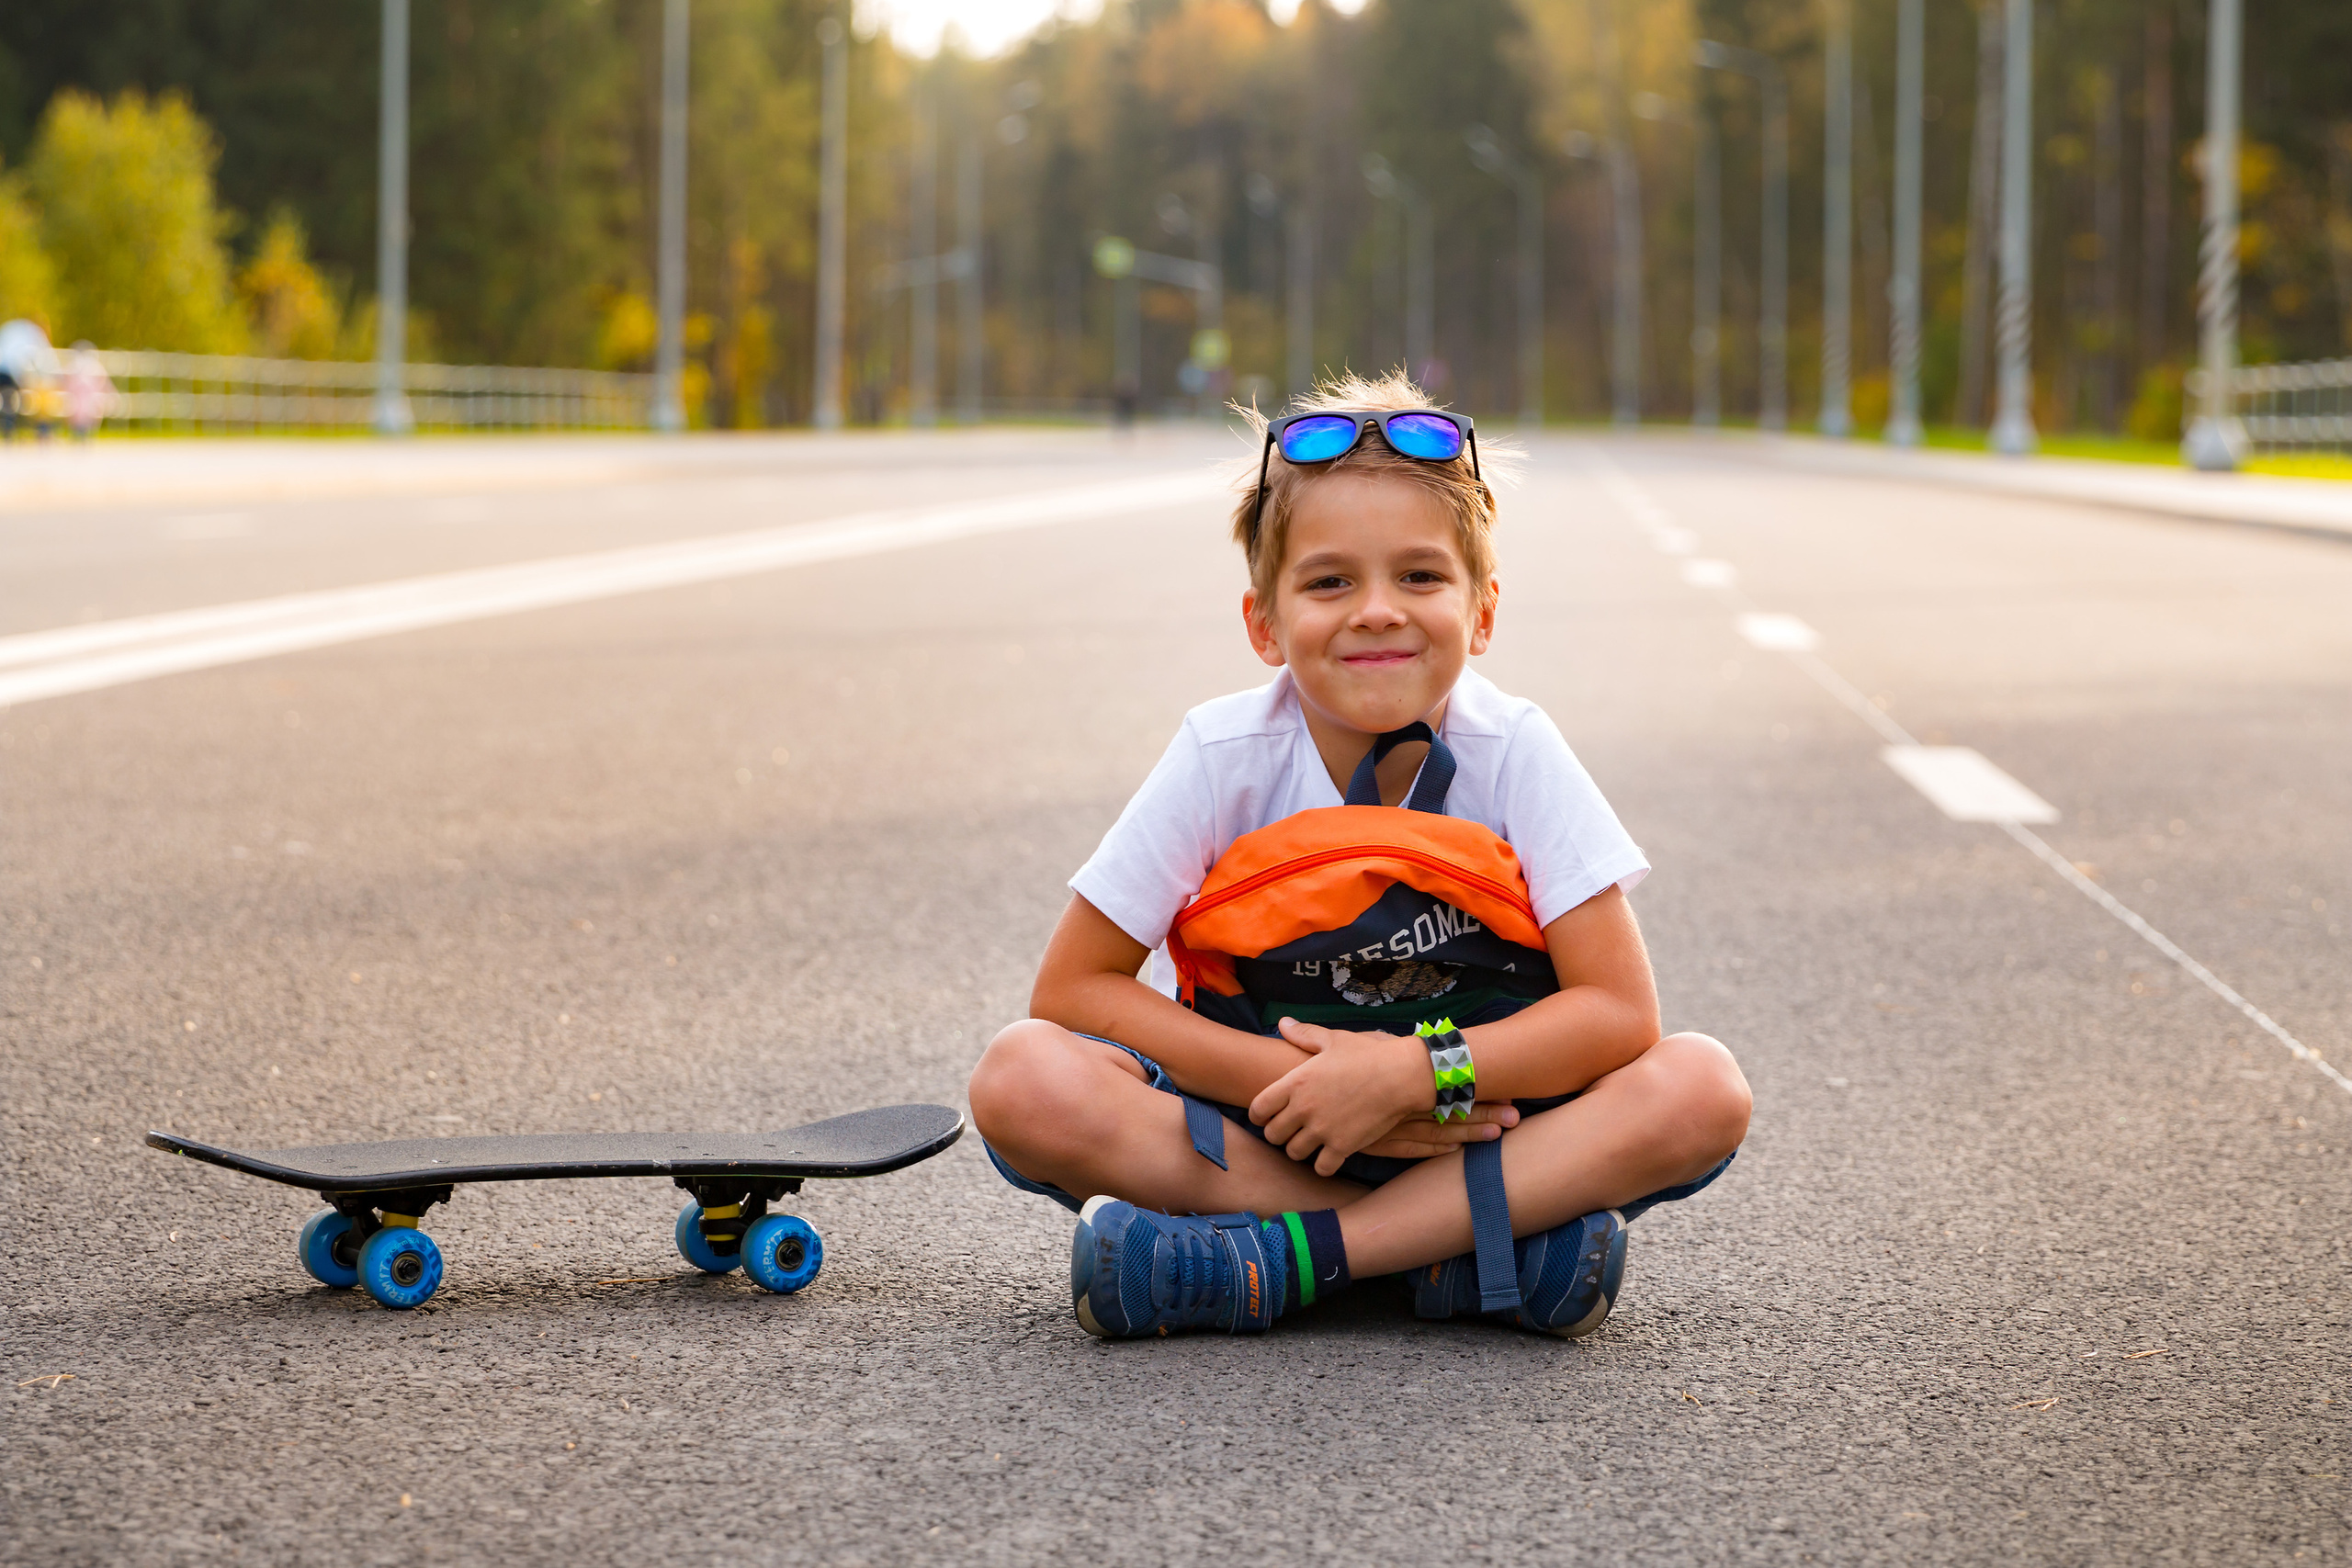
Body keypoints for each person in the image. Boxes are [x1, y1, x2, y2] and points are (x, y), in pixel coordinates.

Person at [968, 368, 1751, 1340]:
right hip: (1274, 1132)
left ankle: (1289, 1261)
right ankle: (1464, 1256)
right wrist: (1294, 1085)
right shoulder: (1225, 754)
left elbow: (1619, 1014)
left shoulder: (1515, 749)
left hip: (1475, 1120)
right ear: (1263, 622)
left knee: (1701, 1086)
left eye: (1419, 577)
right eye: (1330, 581)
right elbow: (1075, 990)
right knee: (1022, 1079)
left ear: (1483, 612)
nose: (1377, 609)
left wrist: (1415, 1078)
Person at [62, 342, 116, 442]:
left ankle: (79, 434)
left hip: (80, 399)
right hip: (86, 400)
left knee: (79, 412)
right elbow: (105, 383)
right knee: (86, 412)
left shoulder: (73, 366)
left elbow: (64, 383)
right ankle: (84, 435)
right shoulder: (95, 367)